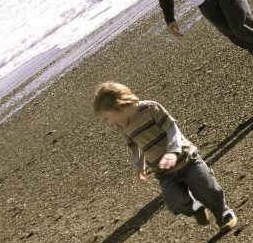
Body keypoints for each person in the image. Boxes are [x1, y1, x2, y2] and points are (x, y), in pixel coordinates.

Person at [94, 82, 238, 232]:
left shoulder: (150, 108)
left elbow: (172, 128)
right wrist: (139, 166)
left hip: (187, 160)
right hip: (164, 173)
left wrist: (173, 150)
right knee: (175, 201)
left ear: (117, 104)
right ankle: (197, 208)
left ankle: (224, 215)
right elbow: (134, 147)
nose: (110, 123)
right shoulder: (124, 128)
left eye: (107, 118)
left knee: (208, 190)